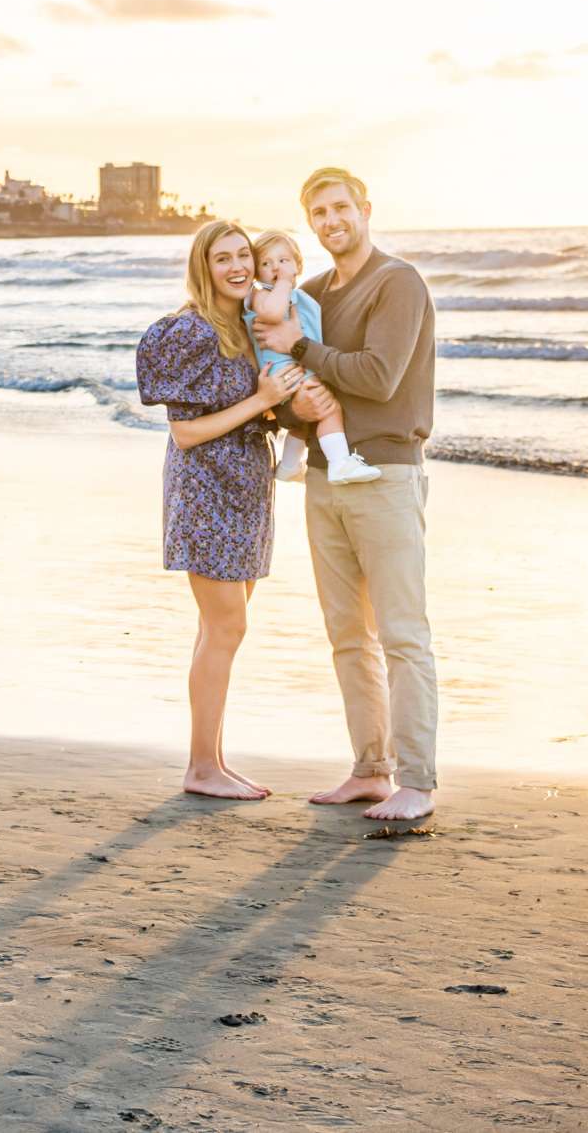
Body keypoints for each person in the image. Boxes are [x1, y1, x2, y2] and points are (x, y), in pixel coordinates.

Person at [256, 167, 440, 825]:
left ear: (364, 208)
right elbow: (279, 365)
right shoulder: (305, 291)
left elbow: (381, 377)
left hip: (386, 473)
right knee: (346, 637)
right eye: (318, 213)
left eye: (340, 208)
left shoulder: (398, 283)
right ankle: (370, 770)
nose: (331, 221)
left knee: (401, 634)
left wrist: (301, 346)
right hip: (324, 480)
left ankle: (417, 781)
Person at [134, 220, 300, 802]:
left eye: (243, 256)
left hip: (247, 486)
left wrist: (281, 409)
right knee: (227, 626)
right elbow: (184, 433)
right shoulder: (189, 331)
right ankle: (202, 767)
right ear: (202, 267)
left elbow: (255, 409)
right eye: (222, 257)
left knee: (220, 629)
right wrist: (261, 400)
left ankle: (214, 762)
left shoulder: (244, 325)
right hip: (205, 491)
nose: (236, 266)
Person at [247, 230, 378, 486]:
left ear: (298, 264)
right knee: (329, 407)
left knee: (305, 422)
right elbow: (273, 314)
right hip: (284, 372)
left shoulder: (298, 298)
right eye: (266, 263)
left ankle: (288, 466)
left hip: (292, 368)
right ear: (256, 273)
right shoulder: (261, 295)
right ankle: (340, 463)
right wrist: (284, 282)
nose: (276, 267)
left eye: (284, 261)